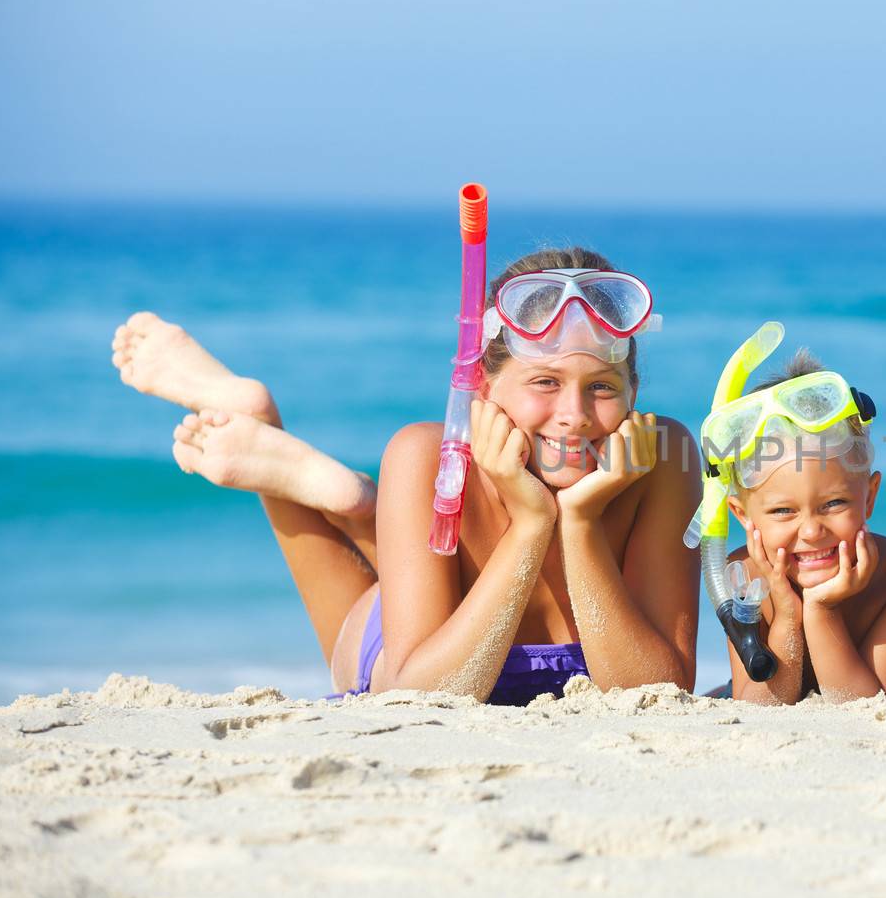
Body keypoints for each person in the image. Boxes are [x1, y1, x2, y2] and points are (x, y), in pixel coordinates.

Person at [111, 249, 701, 703]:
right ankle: (270, 435)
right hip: (411, 654)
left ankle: (360, 504)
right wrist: (529, 523)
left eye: (601, 388)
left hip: (454, 621)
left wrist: (578, 521)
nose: (574, 415)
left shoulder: (663, 458)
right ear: (484, 389)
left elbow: (653, 693)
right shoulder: (426, 456)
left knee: (405, 554)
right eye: (544, 383)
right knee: (362, 620)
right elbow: (420, 696)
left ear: (634, 394)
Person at [694, 337, 886, 704]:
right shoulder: (744, 577)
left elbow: (858, 707)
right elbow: (760, 705)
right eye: (783, 511)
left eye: (835, 503)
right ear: (742, 515)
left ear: (870, 496)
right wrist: (786, 618)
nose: (811, 531)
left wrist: (821, 608)